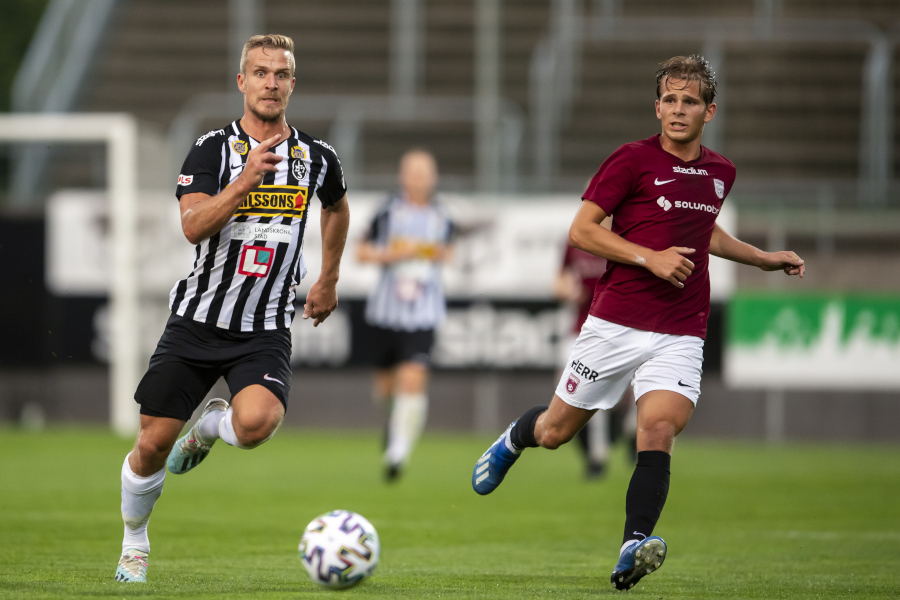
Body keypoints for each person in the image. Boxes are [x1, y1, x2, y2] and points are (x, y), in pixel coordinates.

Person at [470, 55, 805, 591]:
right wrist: (650, 258)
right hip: (615, 322)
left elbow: (704, 231)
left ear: (709, 111)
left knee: (658, 428)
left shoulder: (721, 171)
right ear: (657, 107)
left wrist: (762, 258)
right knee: (555, 433)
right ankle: (515, 438)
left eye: (689, 101)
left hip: (682, 326)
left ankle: (633, 544)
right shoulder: (631, 160)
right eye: (670, 99)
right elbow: (582, 231)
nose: (678, 109)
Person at [114, 34, 350, 583]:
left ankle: (212, 426)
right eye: (261, 73)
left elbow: (337, 207)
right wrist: (245, 181)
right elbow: (192, 226)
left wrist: (329, 277)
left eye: (281, 74)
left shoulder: (317, 157)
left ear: (293, 84)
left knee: (258, 423)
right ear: (241, 82)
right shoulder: (210, 150)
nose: (271, 83)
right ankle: (134, 543)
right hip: (197, 320)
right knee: (151, 444)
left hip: (263, 327)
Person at [357, 149, 454, 481]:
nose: (419, 179)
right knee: (386, 390)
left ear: (434, 177)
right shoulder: (387, 211)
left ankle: (397, 454)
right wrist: (392, 255)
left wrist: (432, 252)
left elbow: (449, 252)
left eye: (424, 172)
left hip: (423, 315)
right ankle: (394, 424)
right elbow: (361, 251)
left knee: (413, 380)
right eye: (413, 172)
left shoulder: (441, 216)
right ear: (402, 176)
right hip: (386, 314)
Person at [554, 241, 637, 479]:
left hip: (620, 327)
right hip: (582, 329)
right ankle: (597, 455)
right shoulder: (577, 240)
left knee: (637, 382)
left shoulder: (625, 236)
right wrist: (569, 292)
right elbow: (559, 281)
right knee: (580, 391)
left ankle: (632, 430)